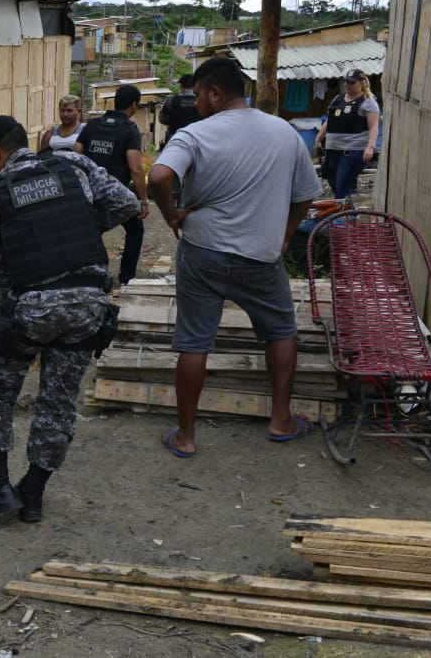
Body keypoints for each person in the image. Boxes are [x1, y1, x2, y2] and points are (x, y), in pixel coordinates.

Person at [0, 115, 138, 523]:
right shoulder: (73, 166)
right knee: (58, 401)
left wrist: (16, 304)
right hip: (89, 304)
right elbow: (127, 205)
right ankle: (34, 492)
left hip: (36, 305)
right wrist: (80, 225)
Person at [148, 58, 323, 457]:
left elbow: (158, 176)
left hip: (203, 251)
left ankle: (186, 436)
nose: (195, 105)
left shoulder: (194, 134)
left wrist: (172, 215)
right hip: (260, 255)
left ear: (215, 93)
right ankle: (281, 419)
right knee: (280, 330)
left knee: (194, 341)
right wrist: (283, 235)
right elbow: (306, 194)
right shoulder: (284, 132)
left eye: (198, 96)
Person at [76, 84, 150, 285]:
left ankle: (92, 276)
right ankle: (126, 277)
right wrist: (143, 200)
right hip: (117, 194)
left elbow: (76, 154)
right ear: (134, 105)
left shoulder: (91, 125)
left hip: (89, 192)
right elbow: (135, 167)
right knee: (135, 230)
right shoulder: (129, 129)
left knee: (91, 231)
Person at [313, 68, 381, 201]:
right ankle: (349, 215)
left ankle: (341, 218)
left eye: (352, 83)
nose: (348, 85)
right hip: (332, 150)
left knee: (342, 184)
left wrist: (370, 146)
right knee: (332, 180)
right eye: (346, 82)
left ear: (361, 83)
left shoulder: (368, 102)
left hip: (352, 151)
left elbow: (374, 127)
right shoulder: (337, 99)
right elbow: (329, 120)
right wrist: (318, 138)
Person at [159, 74, 201, 148]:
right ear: (195, 86)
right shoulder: (201, 100)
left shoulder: (171, 99)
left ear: (181, 86)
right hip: (197, 138)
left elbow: (162, 118)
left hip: (175, 137)